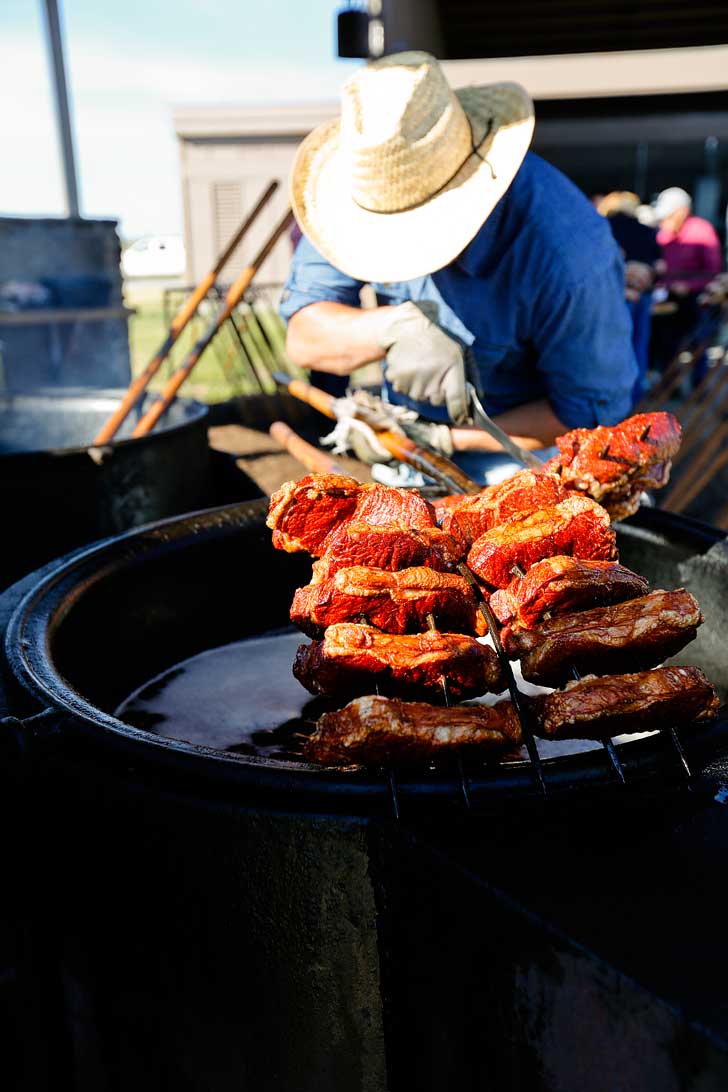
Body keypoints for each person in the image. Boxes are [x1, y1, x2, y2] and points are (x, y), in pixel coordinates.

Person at [280, 51, 638, 484]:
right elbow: (303, 338)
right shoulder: (356, 192)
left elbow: (587, 413)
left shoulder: (568, 256)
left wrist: (446, 438)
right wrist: (393, 328)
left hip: (523, 454)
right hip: (406, 443)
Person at [650, 187, 724, 379]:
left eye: (669, 216)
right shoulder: (663, 234)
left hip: (696, 299)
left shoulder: (701, 231)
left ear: (682, 211)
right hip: (669, 298)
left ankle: (698, 386)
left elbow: (713, 271)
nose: (664, 222)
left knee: (699, 342)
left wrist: (689, 286)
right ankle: (667, 383)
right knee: (666, 342)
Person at [597, 191, 662, 402]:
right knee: (638, 347)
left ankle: (615, 401)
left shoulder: (604, 227)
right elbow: (660, 266)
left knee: (615, 348)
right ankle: (633, 398)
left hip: (616, 296)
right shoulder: (646, 231)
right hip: (642, 296)